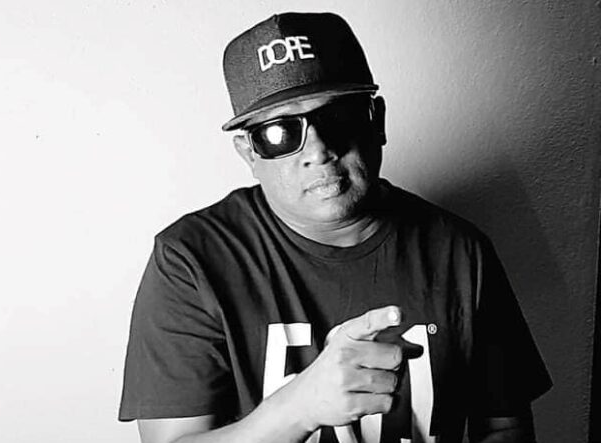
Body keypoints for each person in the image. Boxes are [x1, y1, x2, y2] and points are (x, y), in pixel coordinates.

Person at [119, 12, 551, 443]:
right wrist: (298, 409)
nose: (319, 150)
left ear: (377, 121)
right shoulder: (192, 261)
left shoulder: (461, 251)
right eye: (280, 132)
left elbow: (505, 426)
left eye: (339, 116)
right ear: (249, 153)